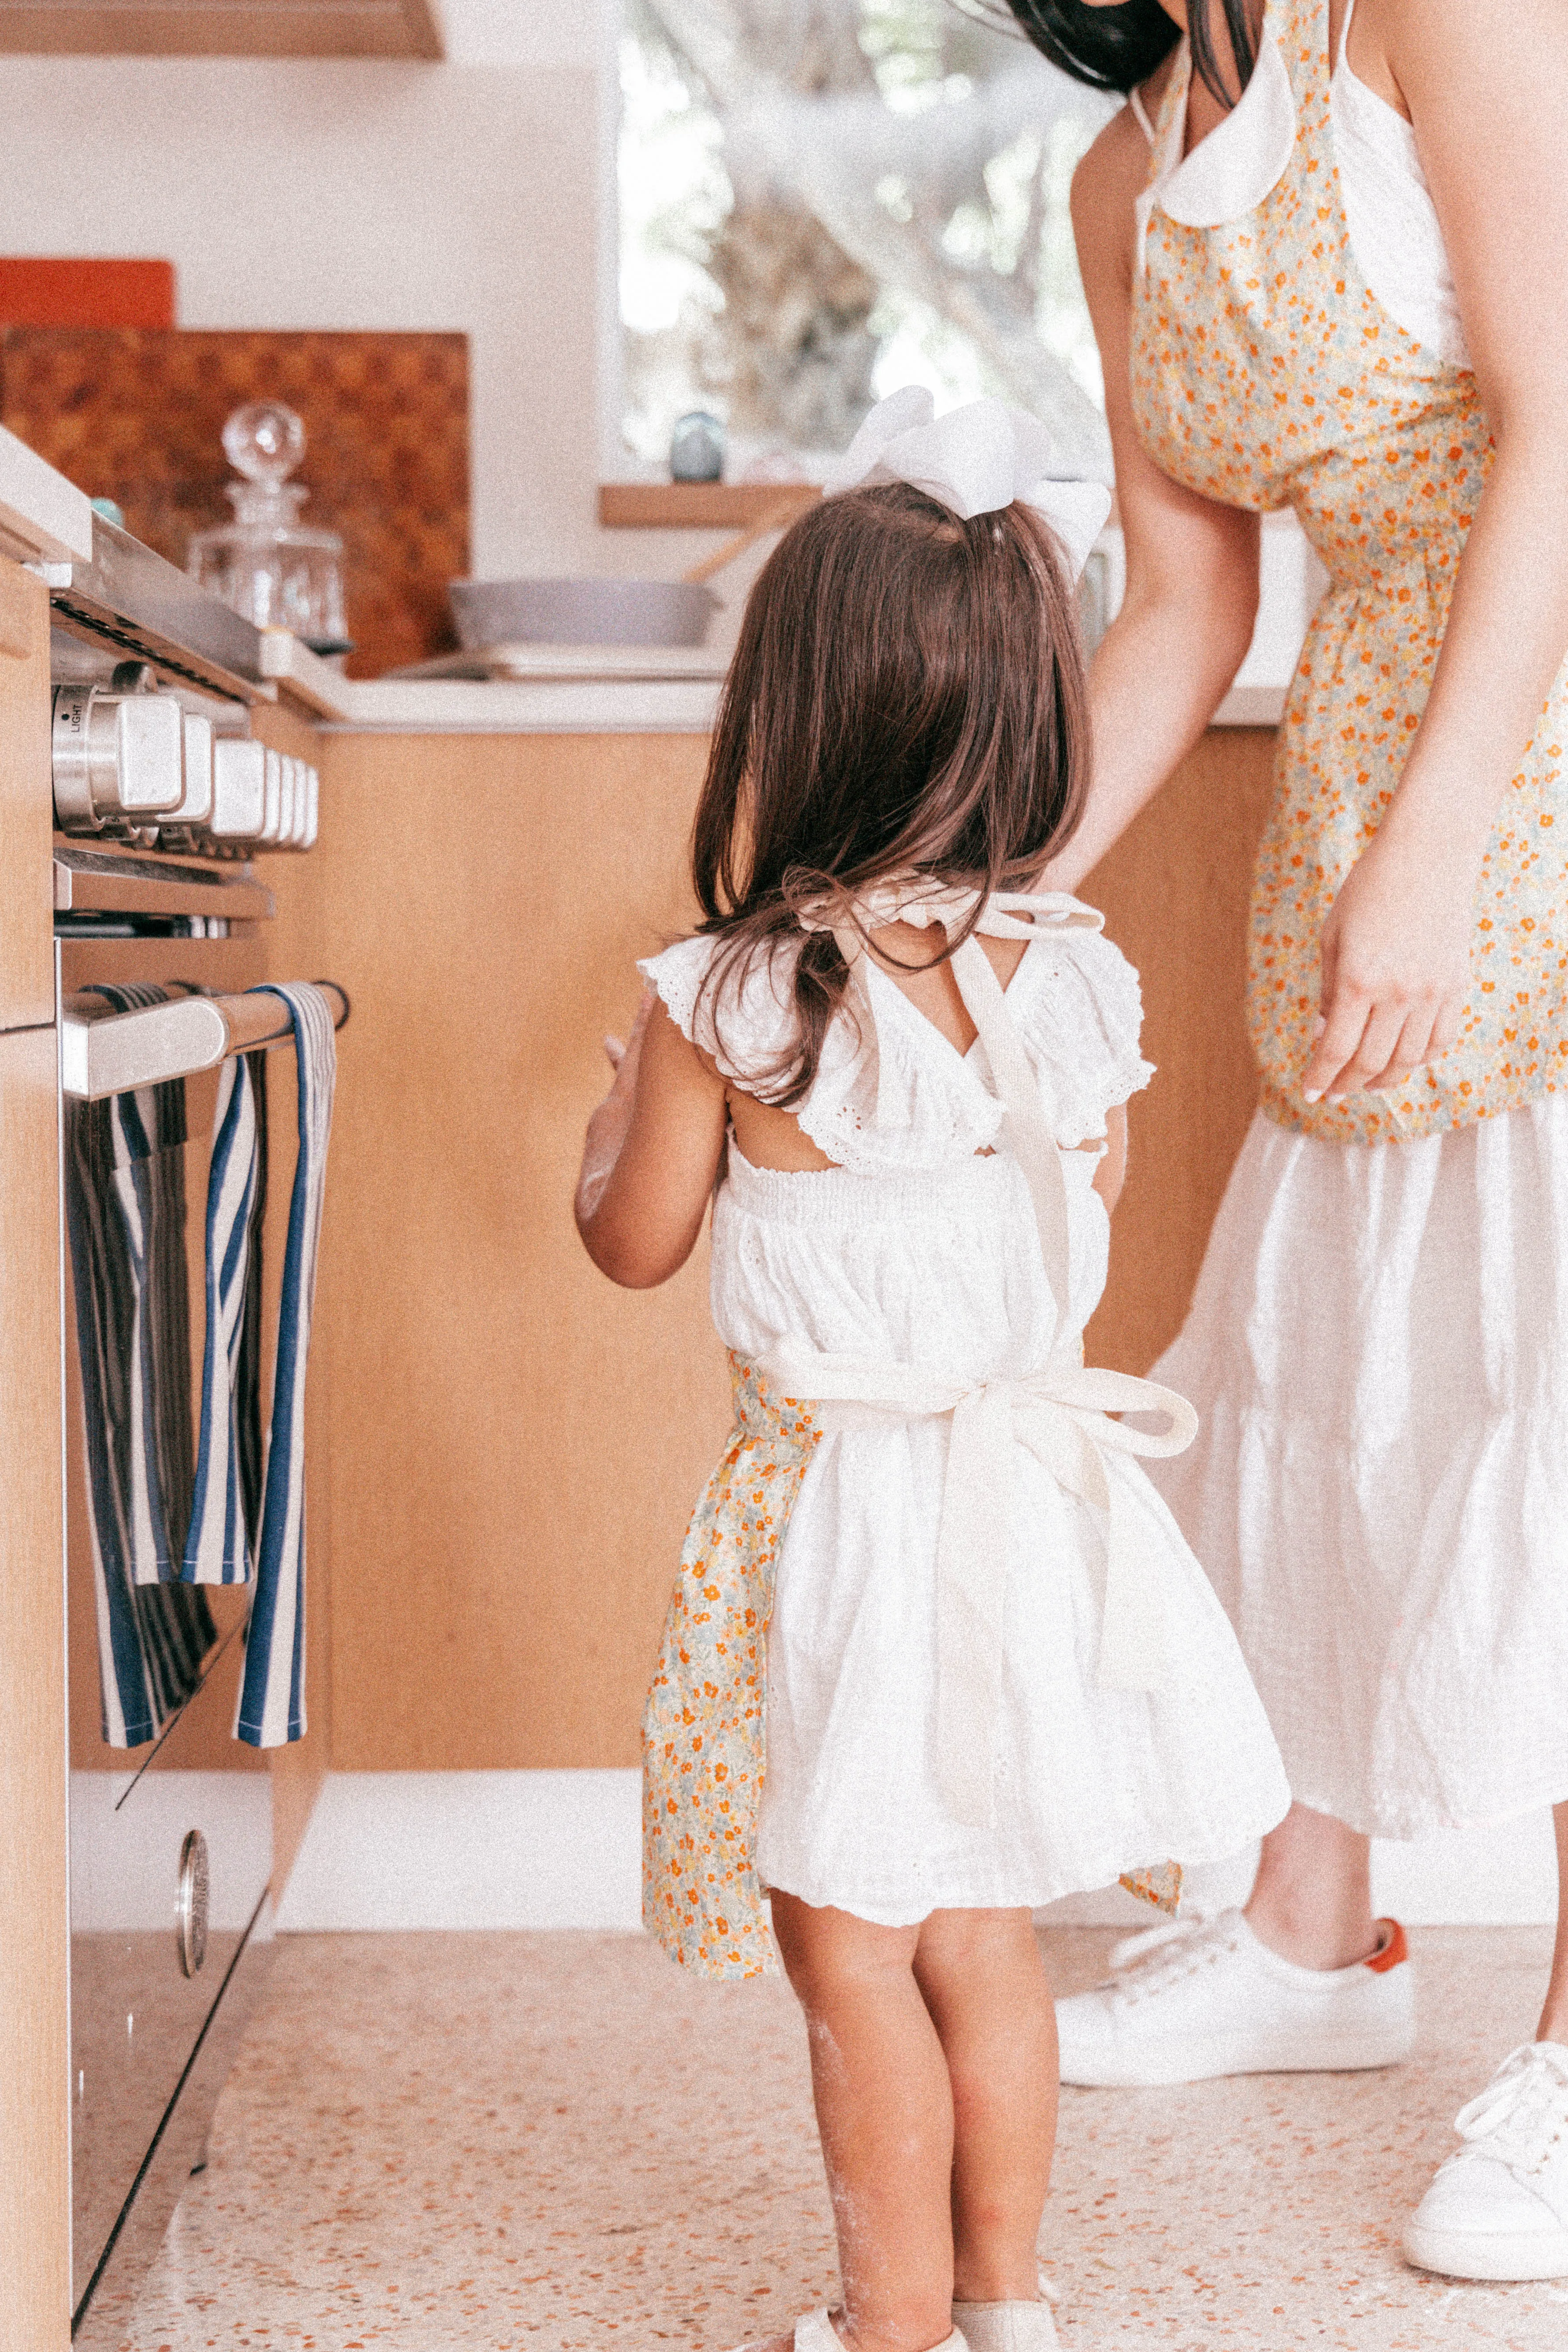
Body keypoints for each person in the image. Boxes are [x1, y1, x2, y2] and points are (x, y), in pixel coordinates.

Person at [573, 390, 1290, 2352]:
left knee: (853, 1950)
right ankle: (1009, 2302)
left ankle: (884, 2318)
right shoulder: (1070, 978)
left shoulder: (725, 996)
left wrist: (596, 1136)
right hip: (1030, 1515)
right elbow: (1083, 1220)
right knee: (987, 1929)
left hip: (847, 1531)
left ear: (788, 723)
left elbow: (634, 1244)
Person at [1004, 0, 1568, 2285]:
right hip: (1356, 779)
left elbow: (1567, 422)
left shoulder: (1445, 17)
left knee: (1548, 1406)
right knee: (1350, 1396)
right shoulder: (1121, 185)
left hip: (1515, 735)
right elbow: (1190, 600)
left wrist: (1441, 833)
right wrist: (982, 897)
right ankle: (1317, 1931)